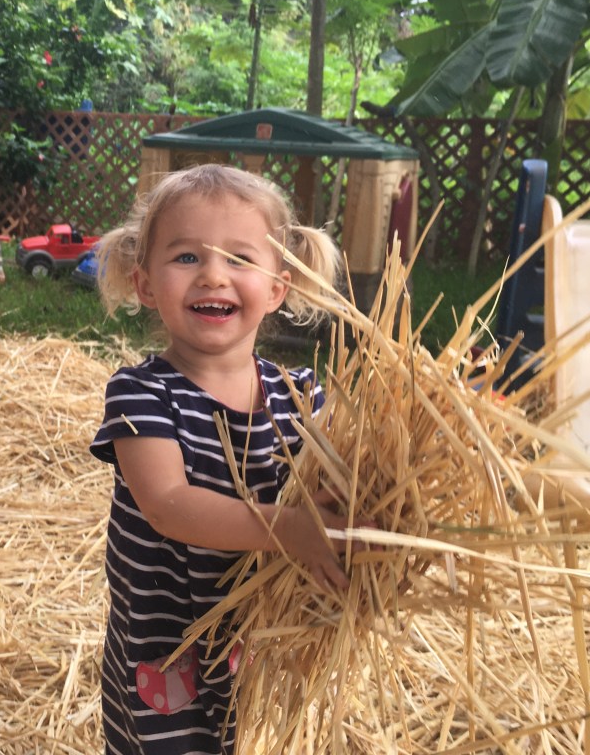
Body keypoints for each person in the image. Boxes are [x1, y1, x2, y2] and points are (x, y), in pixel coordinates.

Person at [90, 164, 354, 755]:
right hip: (167, 657)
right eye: (187, 257)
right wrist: (292, 530)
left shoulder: (301, 396)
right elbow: (169, 505)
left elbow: (348, 480)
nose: (213, 275)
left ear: (278, 287)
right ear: (145, 284)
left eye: (239, 258)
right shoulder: (142, 394)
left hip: (263, 650)